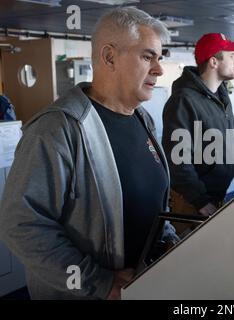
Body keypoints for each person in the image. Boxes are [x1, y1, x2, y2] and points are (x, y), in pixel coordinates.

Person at [0, 7, 178, 300]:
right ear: (109, 57)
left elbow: (153, 202)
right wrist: (101, 283)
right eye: (148, 57)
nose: (158, 69)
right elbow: (21, 224)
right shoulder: (57, 129)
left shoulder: (142, 119)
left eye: (159, 58)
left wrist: (169, 240)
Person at [162, 33, 234, 225]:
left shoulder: (221, 97)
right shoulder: (183, 100)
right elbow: (177, 158)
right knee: (188, 253)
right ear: (213, 62)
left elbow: (231, 140)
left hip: (215, 196)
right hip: (191, 201)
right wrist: (200, 200)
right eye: (231, 55)